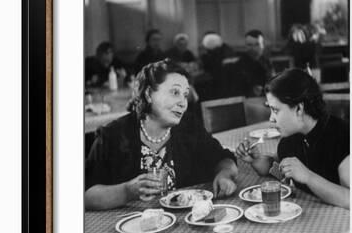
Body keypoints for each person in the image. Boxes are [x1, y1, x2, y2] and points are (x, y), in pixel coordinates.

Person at [85, 59, 238, 210]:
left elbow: (224, 158)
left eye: (185, 95)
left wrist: (224, 175)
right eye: (175, 92)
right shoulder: (112, 135)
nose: (183, 103)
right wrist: (126, 191)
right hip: (131, 225)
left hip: (182, 224)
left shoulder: (189, 128)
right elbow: (87, 196)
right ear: (148, 94)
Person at [236, 68, 349, 208]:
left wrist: (308, 177)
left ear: (299, 109)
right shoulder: (289, 140)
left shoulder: (342, 136)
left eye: (275, 110)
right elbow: (280, 170)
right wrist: (258, 161)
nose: (271, 118)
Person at [235, 30, 273, 96]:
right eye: (249, 45)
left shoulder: (266, 62)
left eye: (257, 44)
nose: (253, 48)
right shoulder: (239, 66)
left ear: (263, 45)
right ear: (245, 46)